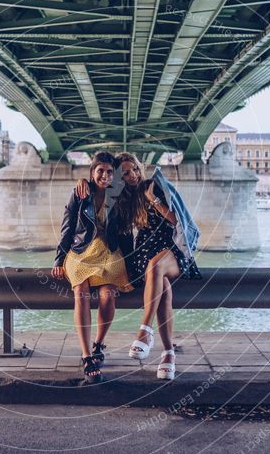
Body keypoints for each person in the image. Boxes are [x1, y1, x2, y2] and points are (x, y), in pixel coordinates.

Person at [76, 153, 201, 380]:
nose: (132, 175)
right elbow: (106, 211)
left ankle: (144, 331)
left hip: (170, 250)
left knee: (156, 268)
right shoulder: (123, 196)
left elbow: (177, 221)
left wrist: (153, 200)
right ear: (119, 177)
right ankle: (168, 354)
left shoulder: (153, 186)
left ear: (139, 167)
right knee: (163, 286)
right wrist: (85, 183)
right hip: (144, 252)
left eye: (134, 169)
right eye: (125, 172)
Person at [52, 152, 132, 384]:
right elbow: (67, 228)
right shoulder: (80, 193)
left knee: (108, 296)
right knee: (81, 293)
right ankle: (87, 356)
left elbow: (126, 232)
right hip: (81, 251)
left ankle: (98, 344)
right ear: (92, 172)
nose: (105, 176)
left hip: (108, 252)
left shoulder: (118, 194)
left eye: (109, 172)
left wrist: (133, 265)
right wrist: (58, 260)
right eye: (100, 171)